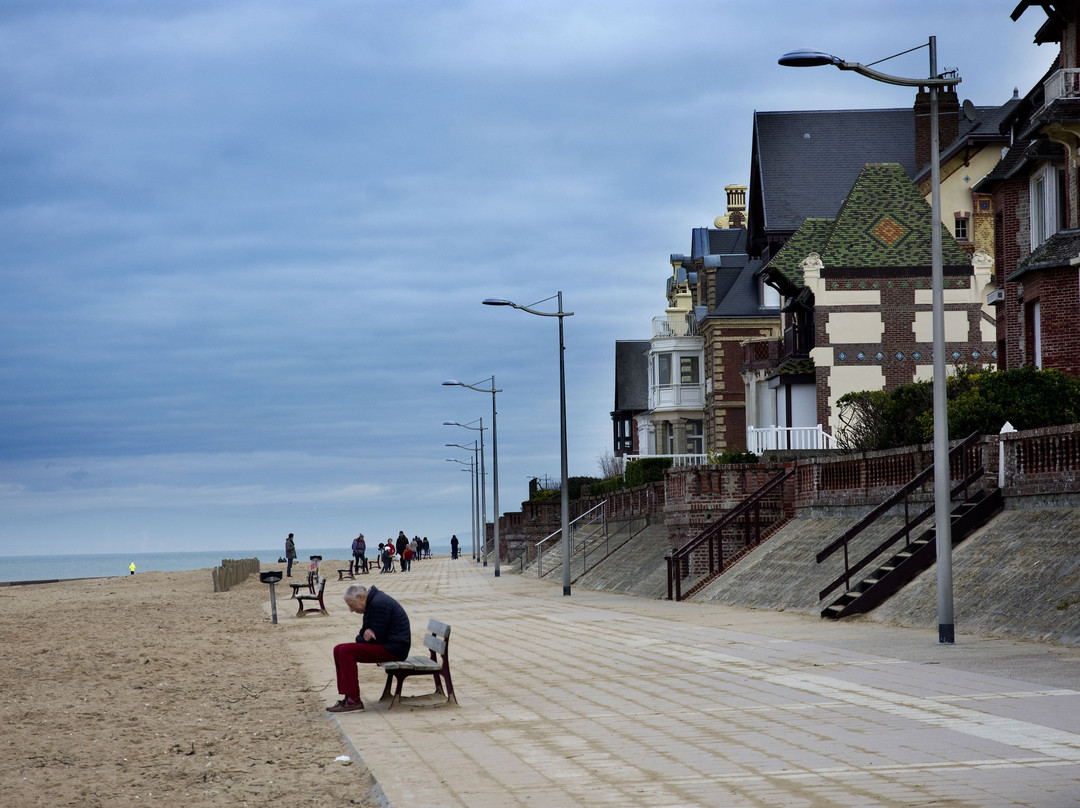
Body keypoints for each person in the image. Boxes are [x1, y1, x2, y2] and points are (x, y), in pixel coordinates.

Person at [327, 584, 411, 713]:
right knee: (338, 649)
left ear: (360, 597)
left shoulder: (379, 604)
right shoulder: (371, 602)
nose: (350, 609)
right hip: (388, 644)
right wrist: (365, 634)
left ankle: (354, 700)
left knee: (345, 651)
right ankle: (348, 696)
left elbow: (376, 639)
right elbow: (362, 636)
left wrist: (366, 636)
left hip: (395, 649)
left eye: (351, 605)